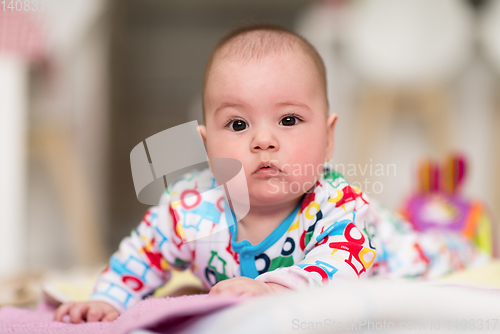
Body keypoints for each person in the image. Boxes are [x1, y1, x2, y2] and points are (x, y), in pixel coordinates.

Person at [54, 24, 487, 324]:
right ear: (207, 146)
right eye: (238, 125)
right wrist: (107, 299)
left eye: (289, 120)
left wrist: (279, 289)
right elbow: (140, 256)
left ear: (328, 138)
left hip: (388, 251)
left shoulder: (338, 205)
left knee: (442, 254)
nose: (264, 141)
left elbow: (339, 265)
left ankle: (463, 235)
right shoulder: (190, 208)